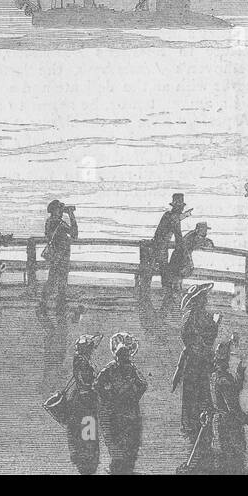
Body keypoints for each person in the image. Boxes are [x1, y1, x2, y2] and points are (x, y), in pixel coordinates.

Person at [95, 332, 147, 474]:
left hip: (128, 411)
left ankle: (124, 469)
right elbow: (98, 385)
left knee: (130, 442)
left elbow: (143, 385)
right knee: (118, 440)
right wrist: (109, 396)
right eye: (121, 356)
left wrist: (133, 397)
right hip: (118, 412)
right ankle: (118, 469)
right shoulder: (111, 369)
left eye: (125, 357)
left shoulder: (130, 368)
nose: (124, 359)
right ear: (117, 356)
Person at [175, 282, 218, 441]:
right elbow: (187, 337)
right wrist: (201, 346)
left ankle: (203, 425)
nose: (206, 300)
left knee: (204, 391)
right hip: (194, 360)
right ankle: (190, 426)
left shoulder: (205, 315)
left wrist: (215, 324)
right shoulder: (190, 316)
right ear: (197, 300)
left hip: (204, 359)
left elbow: (211, 334)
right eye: (203, 298)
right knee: (192, 392)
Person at [208, 334, 248, 475]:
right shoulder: (224, 379)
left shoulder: (215, 375)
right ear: (226, 359)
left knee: (223, 461)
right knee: (234, 463)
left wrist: (239, 375)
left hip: (220, 423)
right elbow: (233, 408)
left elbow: (234, 391)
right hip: (229, 426)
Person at [62, 334, 101, 475]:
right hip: (85, 399)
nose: (92, 350)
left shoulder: (80, 359)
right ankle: (87, 457)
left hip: (81, 398)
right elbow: (87, 381)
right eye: (90, 348)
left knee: (83, 427)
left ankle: (86, 454)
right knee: (88, 425)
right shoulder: (82, 362)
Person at [144, 193, 186, 306]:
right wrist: (183, 248)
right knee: (165, 272)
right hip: (161, 249)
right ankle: (167, 300)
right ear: (179, 207)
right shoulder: (174, 218)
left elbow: (173, 221)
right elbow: (178, 236)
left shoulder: (167, 214)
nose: (182, 209)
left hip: (154, 246)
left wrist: (185, 216)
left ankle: (147, 297)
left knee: (150, 272)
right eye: (181, 207)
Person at [38, 201, 77, 318]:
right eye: (60, 208)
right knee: (59, 283)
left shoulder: (50, 221)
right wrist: (71, 215)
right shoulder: (57, 222)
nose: (62, 210)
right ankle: (58, 308)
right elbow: (74, 234)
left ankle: (45, 306)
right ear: (55, 210)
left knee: (53, 282)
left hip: (56, 256)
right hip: (61, 257)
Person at [162, 221, 211, 313]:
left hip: (179, 260)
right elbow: (186, 251)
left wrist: (207, 242)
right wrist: (190, 263)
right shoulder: (191, 237)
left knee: (177, 281)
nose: (205, 232)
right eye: (203, 230)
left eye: (205, 230)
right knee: (177, 280)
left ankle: (176, 302)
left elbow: (203, 242)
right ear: (198, 230)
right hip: (179, 260)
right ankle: (175, 303)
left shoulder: (193, 236)